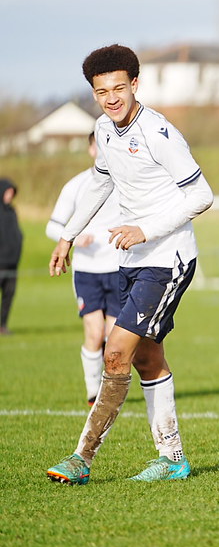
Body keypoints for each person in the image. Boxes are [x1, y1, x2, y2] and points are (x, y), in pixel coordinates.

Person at [46, 44, 214, 485]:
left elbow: (202, 195)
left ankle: (81, 458)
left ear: (135, 84)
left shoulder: (159, 133)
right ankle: (172, 458)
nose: (111, 99)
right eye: (102, 92)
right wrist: (67, 235)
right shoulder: (103, 130)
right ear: (94, 93)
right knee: (147, 358)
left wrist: (145, 229)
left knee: (116, 351)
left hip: (168, 259)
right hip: (132, 260)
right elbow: (100, 184)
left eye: (119, 88)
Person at [46, 133, 123, 403]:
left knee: (114, 338)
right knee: (93, 331)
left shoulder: (127, 182)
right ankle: (93, 392)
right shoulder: (77, 185)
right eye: (98, 146)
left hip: (119, 267)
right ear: (91, 149)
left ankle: (109, 390)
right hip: (87, 271)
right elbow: (53, 226)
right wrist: (75, 238)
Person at [0, 178, 22, 336]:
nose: (10, 196)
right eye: (7, 192)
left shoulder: (12, 211)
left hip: (12, 263)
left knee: (8, 296)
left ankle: (2, 325)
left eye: (12, 193)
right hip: (0, 263)